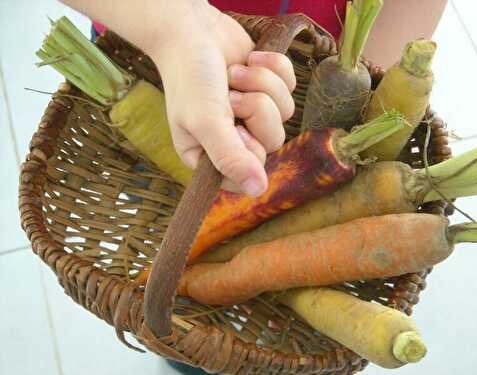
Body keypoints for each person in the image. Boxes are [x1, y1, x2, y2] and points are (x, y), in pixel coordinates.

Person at [59, 0, 448, 373]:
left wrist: (365, 82)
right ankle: (187, 356)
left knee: (220, 332)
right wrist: (176, 27)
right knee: (190, 344)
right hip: (151, 47)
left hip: (304, 79)